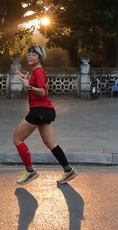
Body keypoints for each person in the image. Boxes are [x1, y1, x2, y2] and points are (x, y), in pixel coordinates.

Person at [12, 45, 78, 185]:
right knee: (51, 143)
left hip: (39, 111)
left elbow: (43, 92)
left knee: (17, 139)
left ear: (40, 57)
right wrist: (28, 82)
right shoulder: (36, 72)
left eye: (33, 55)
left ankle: (30, 172)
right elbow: (41, 90)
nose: (30, 56)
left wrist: (28, 86)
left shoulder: (39, 71)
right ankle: (68, 170)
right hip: (46, 110)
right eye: (29, 54)